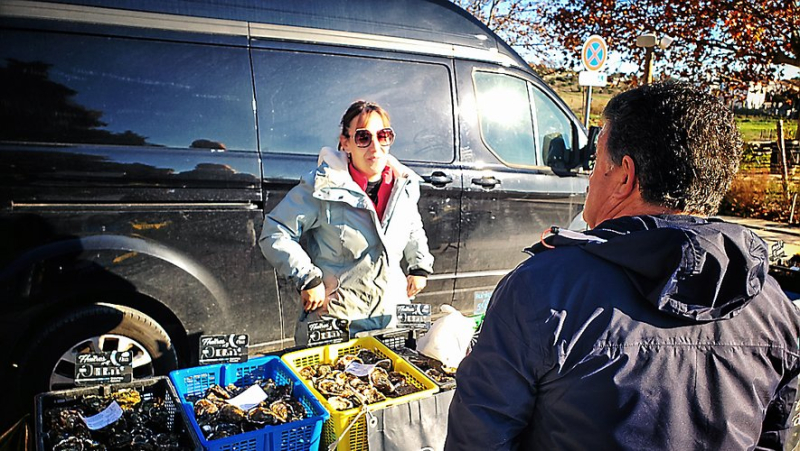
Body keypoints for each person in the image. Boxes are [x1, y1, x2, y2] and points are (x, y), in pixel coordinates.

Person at [445, 82, 800, 450]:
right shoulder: (773, 306)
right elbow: (770, 441)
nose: (588, 179)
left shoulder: (542, 288)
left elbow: (477, 440)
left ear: (624, 177)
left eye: (597, 163)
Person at [259, 100, 434, 343]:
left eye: (383, 136)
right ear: (345, 142)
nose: (375, 146)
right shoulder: (322, 186)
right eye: (363, 137)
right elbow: (275, 231)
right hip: (338, 324)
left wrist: (419, 265)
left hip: (389, 321)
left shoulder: (403, 185)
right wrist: (307, 277)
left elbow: (412, 223)